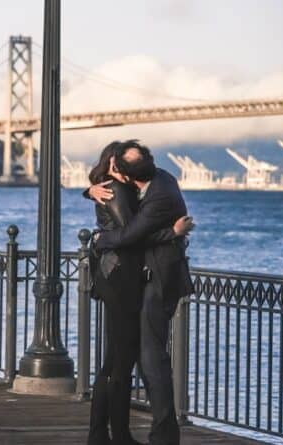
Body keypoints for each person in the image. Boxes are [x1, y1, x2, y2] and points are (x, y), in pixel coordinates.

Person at [86, 141, 193, 445]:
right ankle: (116, 435)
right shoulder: (121, 190)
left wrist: (92, 194)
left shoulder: (150, 189)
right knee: (124, 361)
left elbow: (133, 234)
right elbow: (130, 236)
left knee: (128, 360)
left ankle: (114, 434)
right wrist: (171, 232)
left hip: (141, 279)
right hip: (123, 280)